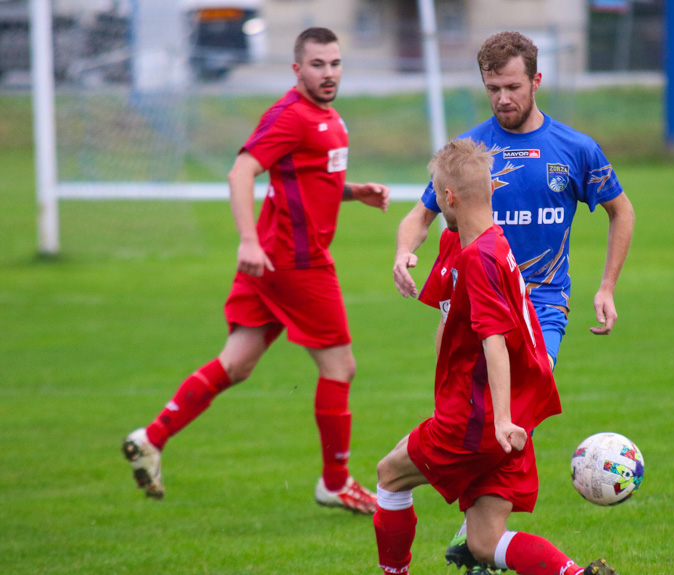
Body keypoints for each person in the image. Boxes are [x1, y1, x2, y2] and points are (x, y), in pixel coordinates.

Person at [392, 31, 635, 569]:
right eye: (493, 87)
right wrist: (405, 252)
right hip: (477, 304)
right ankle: (481, 534)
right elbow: (422, 213)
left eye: (512, 86)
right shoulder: (473, 152)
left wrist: (606, 286)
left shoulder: (575, 149)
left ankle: (478, 533)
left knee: (515, 398)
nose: (503, 98)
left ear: (536, 81)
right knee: (472, 412)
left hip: (540, 308)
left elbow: (623, 211)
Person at [121, 27, 389, 515]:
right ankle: (336, 481)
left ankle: (151, 437)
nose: (328, 73)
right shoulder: (291, 114)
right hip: (293, 261)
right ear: (297, 69)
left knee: (237, 363)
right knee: (340, 367)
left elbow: (306, 177)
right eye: (317, 65)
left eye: (334, 64)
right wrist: (246, 239)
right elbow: (241, 171)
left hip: (269, 261)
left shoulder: (326, 115)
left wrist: (352, 192)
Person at [374, 138, 616, 575]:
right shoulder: (485, 243)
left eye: (436, 191)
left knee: (389, 475)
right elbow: (452, 322)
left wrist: (500, 419)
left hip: (479, 421)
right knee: (485, 542)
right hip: (506, 417)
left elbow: (495, 342)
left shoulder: (480, 259)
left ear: (449, 197)